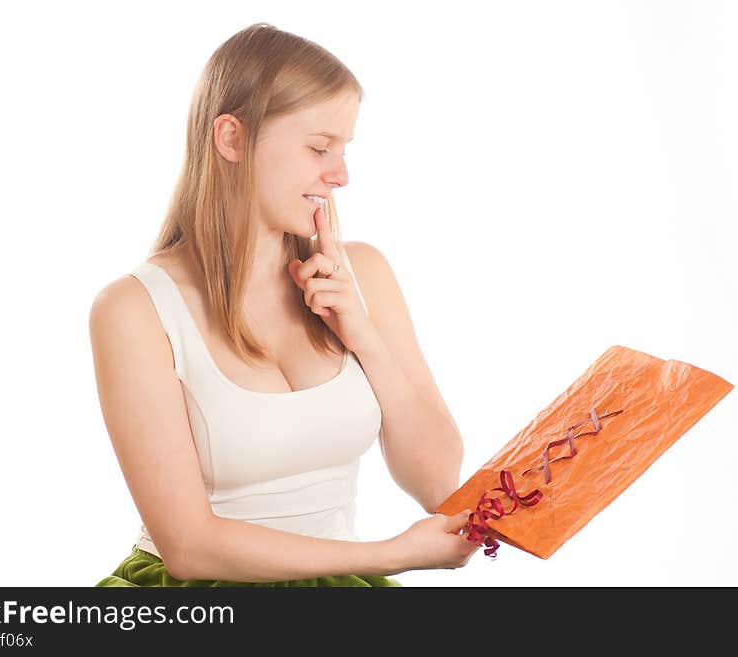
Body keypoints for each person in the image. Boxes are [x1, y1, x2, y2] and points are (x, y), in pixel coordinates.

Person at [89, 22, 479, 587]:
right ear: (231, 139)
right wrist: (386, 556)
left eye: (343, 150)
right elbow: (190, 548)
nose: (340, 175)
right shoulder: (135, 309)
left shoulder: (361, 273)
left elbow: (440, 484)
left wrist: (362, 334)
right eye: (320, 148)